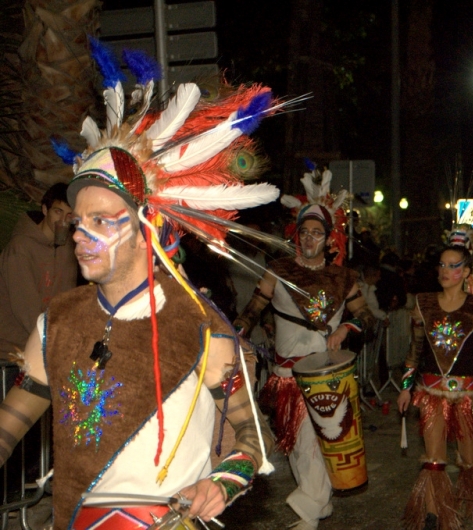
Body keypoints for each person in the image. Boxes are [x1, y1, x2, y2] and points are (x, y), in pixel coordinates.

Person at [0, 41, 278, 529]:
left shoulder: (199, 323)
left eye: (103, 221)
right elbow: (7, 428)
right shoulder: (55, 324)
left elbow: (251, 432)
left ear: (148, 226)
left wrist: (223, 481)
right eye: (77, 222)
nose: (82, 235)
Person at [234, 202, 375, 530]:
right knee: (298, 450)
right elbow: (254, 308)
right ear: (295, 235)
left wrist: (346, 328)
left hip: (326, 377)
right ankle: (319, 504)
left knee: (314, 445)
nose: (309, 238)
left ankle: (309, 513)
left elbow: (367, 318)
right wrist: (236, 330)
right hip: (285, 379)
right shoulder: (278, 270)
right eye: (304, 232)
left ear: (328, 239)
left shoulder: (343, 278)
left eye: (317, 233)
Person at [397, 235, 473, 530]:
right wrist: (405, 388)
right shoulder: (424, 304)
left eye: (453, 266)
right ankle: (433, 511)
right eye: (442, 264)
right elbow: (414, 351)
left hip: (468, 393)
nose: (445, 271)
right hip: (430, 392)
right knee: (433, 457)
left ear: (467, 272)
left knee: (469, 456)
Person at [0, 182, 77, 358]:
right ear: (45, 210)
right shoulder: (21, 248)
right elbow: (25, 308)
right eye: (58, 212)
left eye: (69, 215)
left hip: (47, 346)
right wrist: (52, 342)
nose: (63, 220)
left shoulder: (68, 249)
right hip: (12, 351)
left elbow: (68, 300)